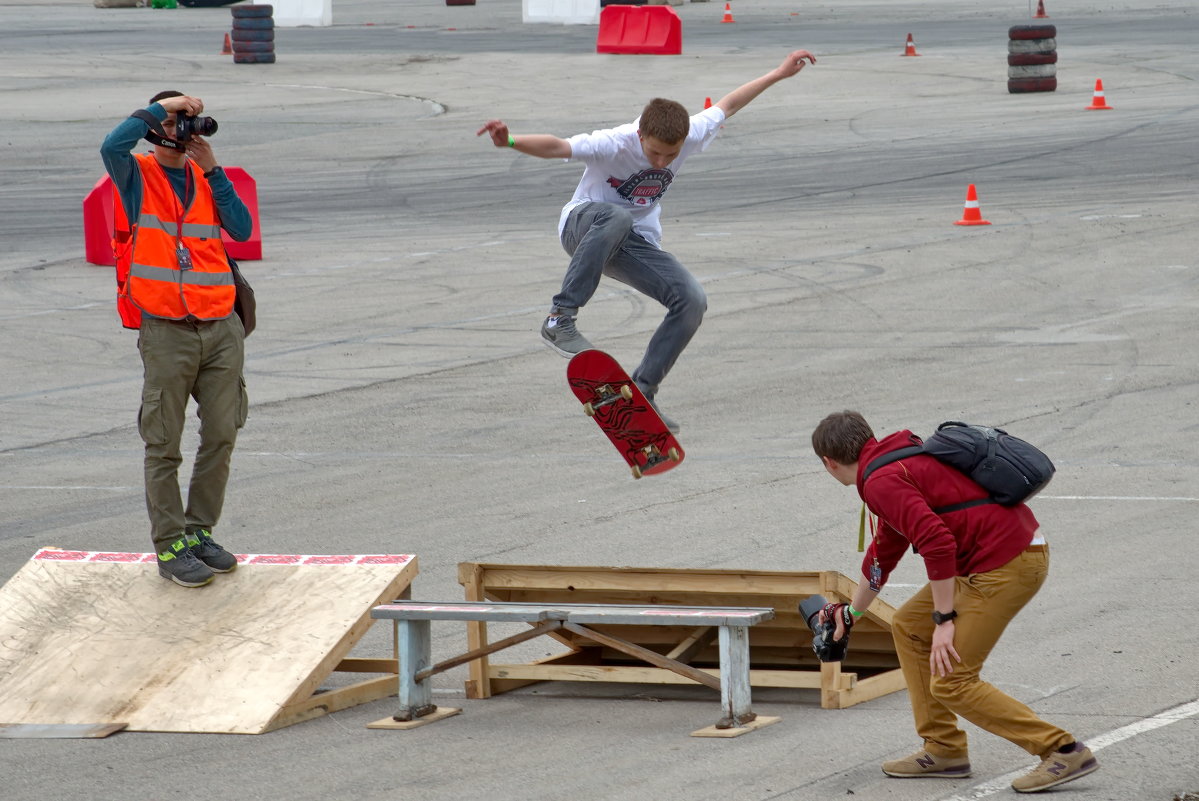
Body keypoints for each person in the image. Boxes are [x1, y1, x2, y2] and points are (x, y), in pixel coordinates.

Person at [477, 50, 816, 432]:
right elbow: (558, 146)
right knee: (617, 215)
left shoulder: (691, 134)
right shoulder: (614, 143)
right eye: (654, 152)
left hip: (630, 244)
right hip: (583, 226)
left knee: (691, 300)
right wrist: (510, 142)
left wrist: (779, 73)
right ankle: (560, 318)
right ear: (641, 135)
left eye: (670, 155)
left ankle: (643, 391)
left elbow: (730, 104)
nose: (660, 162)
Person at [810, 411, 1099, 794]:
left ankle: (1063, 749)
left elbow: (936, 542)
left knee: (953, 682)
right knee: (910, 627)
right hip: (993, 557)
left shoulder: (881, 481)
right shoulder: (896, 458)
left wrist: (944, 619)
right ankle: (943, 749)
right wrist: (853, 612)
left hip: (1005, 564)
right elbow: (886, 549)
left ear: (829, 463)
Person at [101, 91, 251, 588]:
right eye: (175, 121)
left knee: (222, 434)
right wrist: (160, 107)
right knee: (163, 442)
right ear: (154, 127)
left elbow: (242, 228)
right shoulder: (136, 174)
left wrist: (214, 171)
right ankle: (170, 546)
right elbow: (110, 147)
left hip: (220, 325)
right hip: (166, 328)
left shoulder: (205, 176)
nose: (185, 128)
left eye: (190, 119)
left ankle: (199, 531)